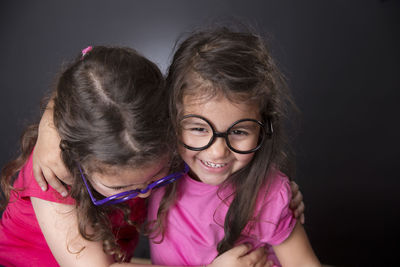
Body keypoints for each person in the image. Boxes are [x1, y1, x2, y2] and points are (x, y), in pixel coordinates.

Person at [0, 46, 271, 267]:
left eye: (156, 178)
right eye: (119, 188)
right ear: (78, 159)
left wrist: (274, 193)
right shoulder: (54, 177)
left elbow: (89, 62)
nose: (142, 195)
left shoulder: (153, 126)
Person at [145, 27, 321, 267]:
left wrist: (281, 197)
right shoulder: (152, 172)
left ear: (264, 127)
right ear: (172, 119)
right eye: (198, 129)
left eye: (238, 132)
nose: (218, 152)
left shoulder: (268, 195)